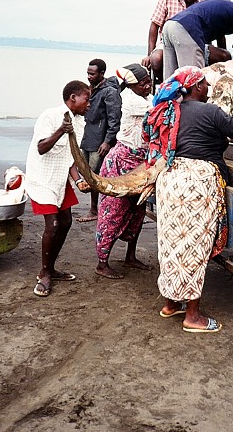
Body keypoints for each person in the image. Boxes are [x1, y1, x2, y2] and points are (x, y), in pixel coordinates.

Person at [143, 66, 233, 333]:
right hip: (196, 183)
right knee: (194, 247)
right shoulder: (210, 111)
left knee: (171, 243)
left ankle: (171, 304)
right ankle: (192, 316)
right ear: (194, 87)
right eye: (204, 84)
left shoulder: (170, 111)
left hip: (170, 180)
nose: (208, 88)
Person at [26, 80, 91, 297]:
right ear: (73, 98)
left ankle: (51, 268)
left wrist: (78, 179)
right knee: (52, 225)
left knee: (66, 222)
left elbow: (71, 156)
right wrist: (61, 131)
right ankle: (44, 274)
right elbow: (42, 147)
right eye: (86, 99)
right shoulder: (51, 116)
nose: (89, 104)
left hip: (60, 178)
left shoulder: (80, 122)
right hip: (43, 178)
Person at [94, 63, 153, 279]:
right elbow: (158, 109)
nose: (148, 86)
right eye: (143, 83)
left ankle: (130, 256)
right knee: (113, 210)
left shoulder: (144, 97)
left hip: (140, 164)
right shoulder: (130, 100)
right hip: (122, 162)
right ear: (131, 85)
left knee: (137, 211)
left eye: (149, 81)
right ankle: (102, 262)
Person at [162, 0, 233, 79]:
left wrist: (225, 63)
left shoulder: (227, 8)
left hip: (170, 25)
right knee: (194, 79)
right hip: (187, 28)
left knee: (169, 80)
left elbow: (221, 38)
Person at [141, 0, 209, 83]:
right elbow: (154, 25)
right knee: (156, 60)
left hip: (192, 43)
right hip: (167, 43)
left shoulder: (201, 3)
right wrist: (149, 54)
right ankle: (166, 84)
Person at [78, 58, 122, 223]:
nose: (89, 76)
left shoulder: (109, 91)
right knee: (88, 175)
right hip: (88, 136)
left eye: (92, 73)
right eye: (88, 73)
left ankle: (95, 209)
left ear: (102, 73)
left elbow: (114, 119)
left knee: (95, 177)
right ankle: (95, 208)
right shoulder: (92, 88)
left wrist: (107, 141)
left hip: (100, 141)